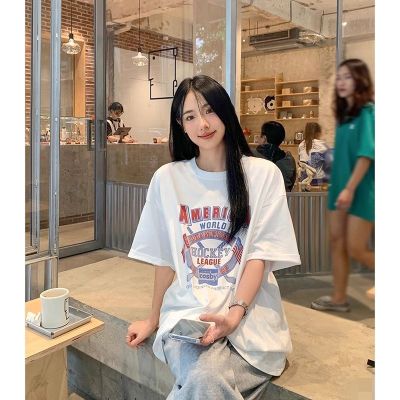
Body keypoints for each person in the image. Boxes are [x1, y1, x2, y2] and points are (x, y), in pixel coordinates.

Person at [125, 75, 301, 399]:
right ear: (180, 125)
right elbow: (166, 258)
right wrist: (153, 319)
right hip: (188, 315)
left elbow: (258, 256)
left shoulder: (263, 175)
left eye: (209, 111)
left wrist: (234, 314)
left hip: (250, 315)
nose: (202, 124)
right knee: (205, 378)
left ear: (225, 112)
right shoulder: (167, 179)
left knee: (203, 382)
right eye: (190, 116)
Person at [311, 59, 375, 312]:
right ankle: (339, 298)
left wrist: (349, 188)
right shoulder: (343, 116)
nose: (341, 82)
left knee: (356, 248)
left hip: (360, 189)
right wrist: (340, 187)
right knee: (337, 243)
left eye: (347, 77)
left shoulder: (368, 112)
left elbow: (366, 154)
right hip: (338, 187)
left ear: (360, 80)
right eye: (339, 77)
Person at [253, 121, 296, 191]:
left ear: (264, 138)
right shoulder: (289, 160)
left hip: (257, 197)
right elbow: (291, 184)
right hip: (283, 197)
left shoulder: (251, 156)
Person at [297, 122, 329, 187]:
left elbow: (300, 162)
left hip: (304, 182)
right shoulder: (322, 145)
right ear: (318, 133)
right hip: (319, 182)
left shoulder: (301, 145)